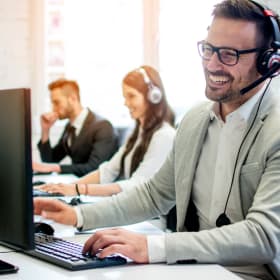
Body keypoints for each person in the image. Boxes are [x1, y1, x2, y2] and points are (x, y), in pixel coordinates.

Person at [34, 1, 280, 279]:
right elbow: (154, 195)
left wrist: (153, 246)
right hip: (194, 268)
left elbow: (263, 235)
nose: (211, 64)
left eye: (229, 55)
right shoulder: (195, 120)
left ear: (269, 62)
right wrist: (78, 216)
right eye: (209, 49)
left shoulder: (276, 129)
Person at [36, 65, 176, 197]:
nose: (125, 103)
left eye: (131, 96)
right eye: (124, 97)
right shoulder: (137, 134)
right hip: (133, 210)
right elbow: (108, 170)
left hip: (152, 220)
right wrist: (66, 187)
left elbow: (137, 185)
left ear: (154, 96)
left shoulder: (164, 136)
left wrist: (79, 189)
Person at [33, 78, 118, 177]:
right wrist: (45, 130)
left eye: (56, 102)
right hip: (77, 183)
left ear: (72, 99)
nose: (53, 108)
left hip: (94, 187)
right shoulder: (70, 127)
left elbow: (94, 168)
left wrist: (56, 168)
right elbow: (50, 160)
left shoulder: (102, 126)